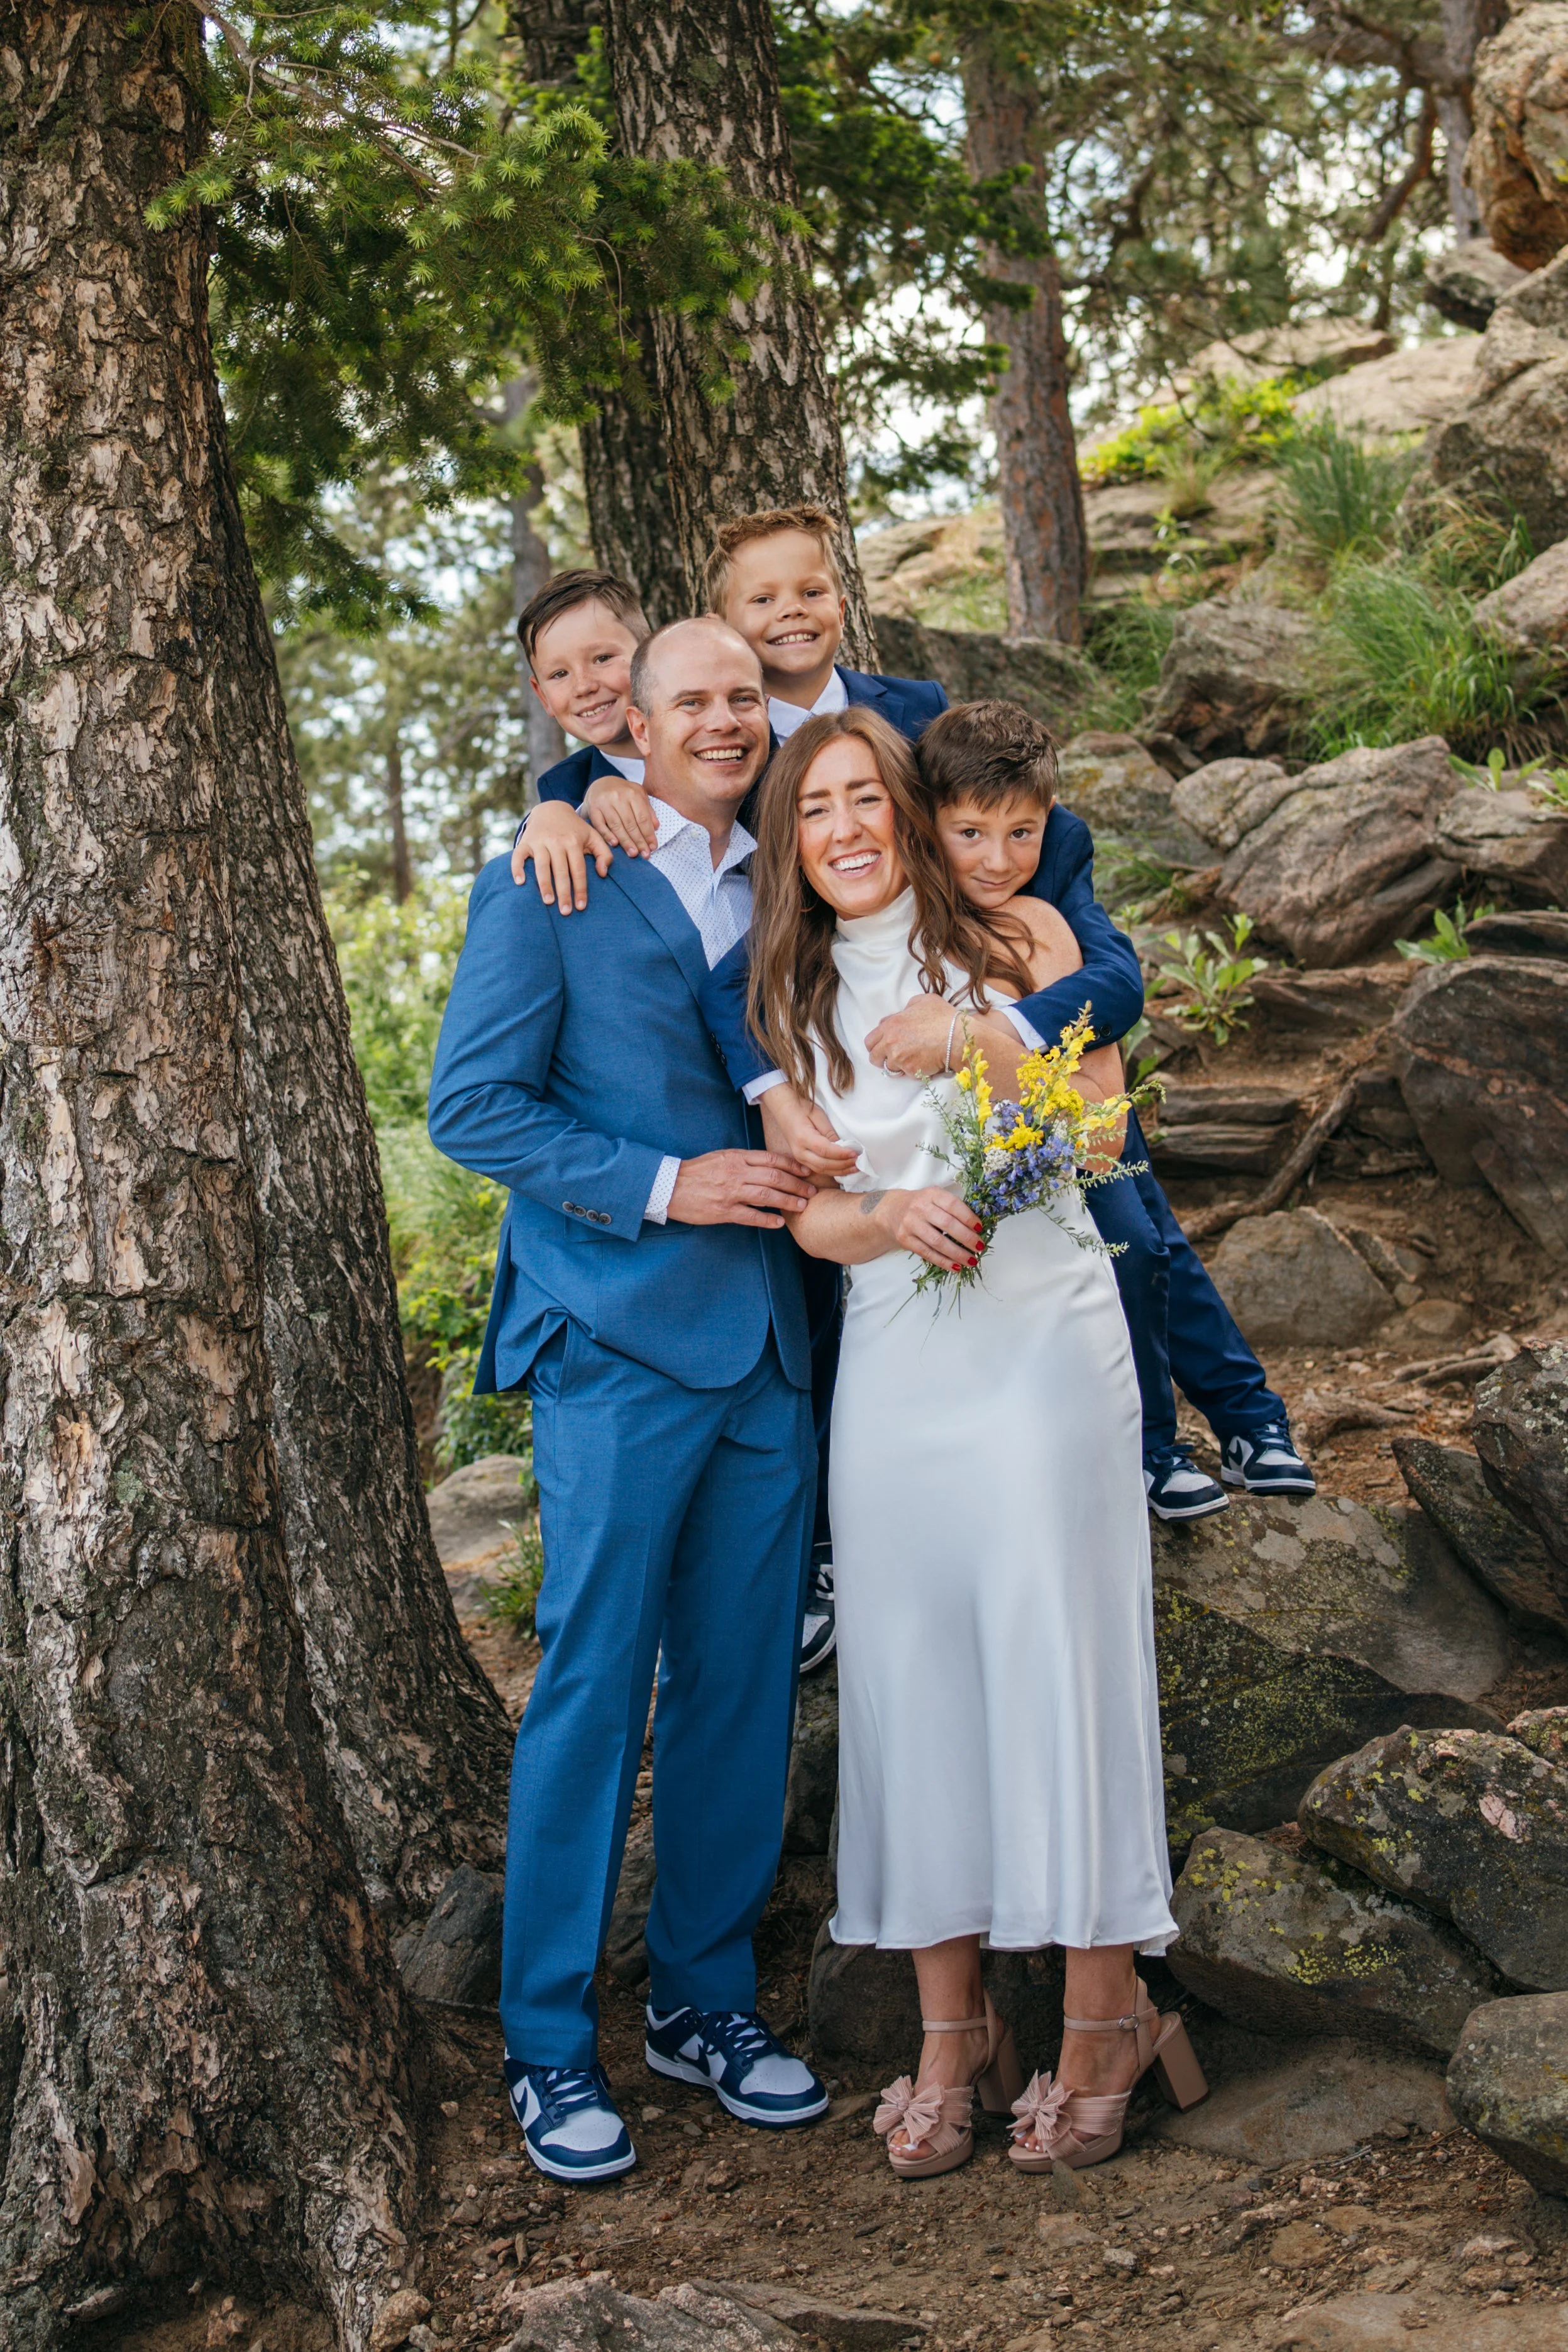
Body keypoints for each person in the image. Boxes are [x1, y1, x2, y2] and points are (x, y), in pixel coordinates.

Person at [746, 704, 1209, 2180]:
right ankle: (950, 2033)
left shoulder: (1020, 949)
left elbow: (1090, 1137)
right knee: (912, 1670)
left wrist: (978, 1050)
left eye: (862, 798)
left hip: (1039, 1340)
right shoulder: (787, 1001)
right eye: (810, 807)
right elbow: (808, 1209)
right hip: (893, 1360)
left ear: (911, 809)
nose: (842, 828)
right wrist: (882, 1216)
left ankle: (1099, 2014)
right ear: (789, 839)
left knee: (1057, 1655)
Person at [428, 616, 830, 2184]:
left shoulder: (791, 872)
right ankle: (545, 2042)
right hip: (610, 1341)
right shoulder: (550, 874)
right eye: (692, 701)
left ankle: (703, 2003)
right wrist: (664, 1183)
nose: (723, 721)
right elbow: (474, 1106)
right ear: (632, 730)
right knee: (594, 1691)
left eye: (745, 696)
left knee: (739, 1690)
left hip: (769, 1354)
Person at [785, 702, 1318, 1525]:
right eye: (971, 836)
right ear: (927, 822)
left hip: (1056, 1067)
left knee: (1138, 1241)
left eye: (1020, 835)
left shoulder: (1047, 869)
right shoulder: (851, 934)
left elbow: (1116, 983)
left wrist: (991, 1032)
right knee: (1130, 1241)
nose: (998, 860)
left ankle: (1197, 1434)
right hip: (945, 1184)